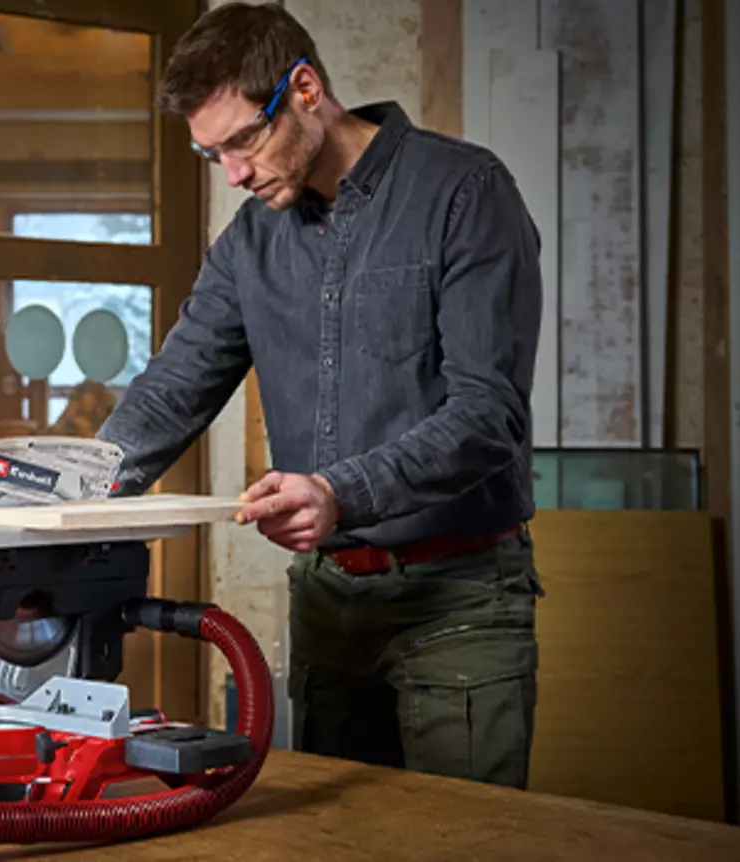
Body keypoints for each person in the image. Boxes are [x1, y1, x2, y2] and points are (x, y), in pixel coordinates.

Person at [94, 4, 546, 789]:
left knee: (467, 841)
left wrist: (340, 491)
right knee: (341, 839)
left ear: (305, 89)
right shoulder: (249, 243)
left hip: (459, 602)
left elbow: (488, 415)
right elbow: (175, 387)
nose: (234, 172)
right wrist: (74, 490)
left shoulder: (465, 192)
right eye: (213, 155)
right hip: (330, 606)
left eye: (243, 140)